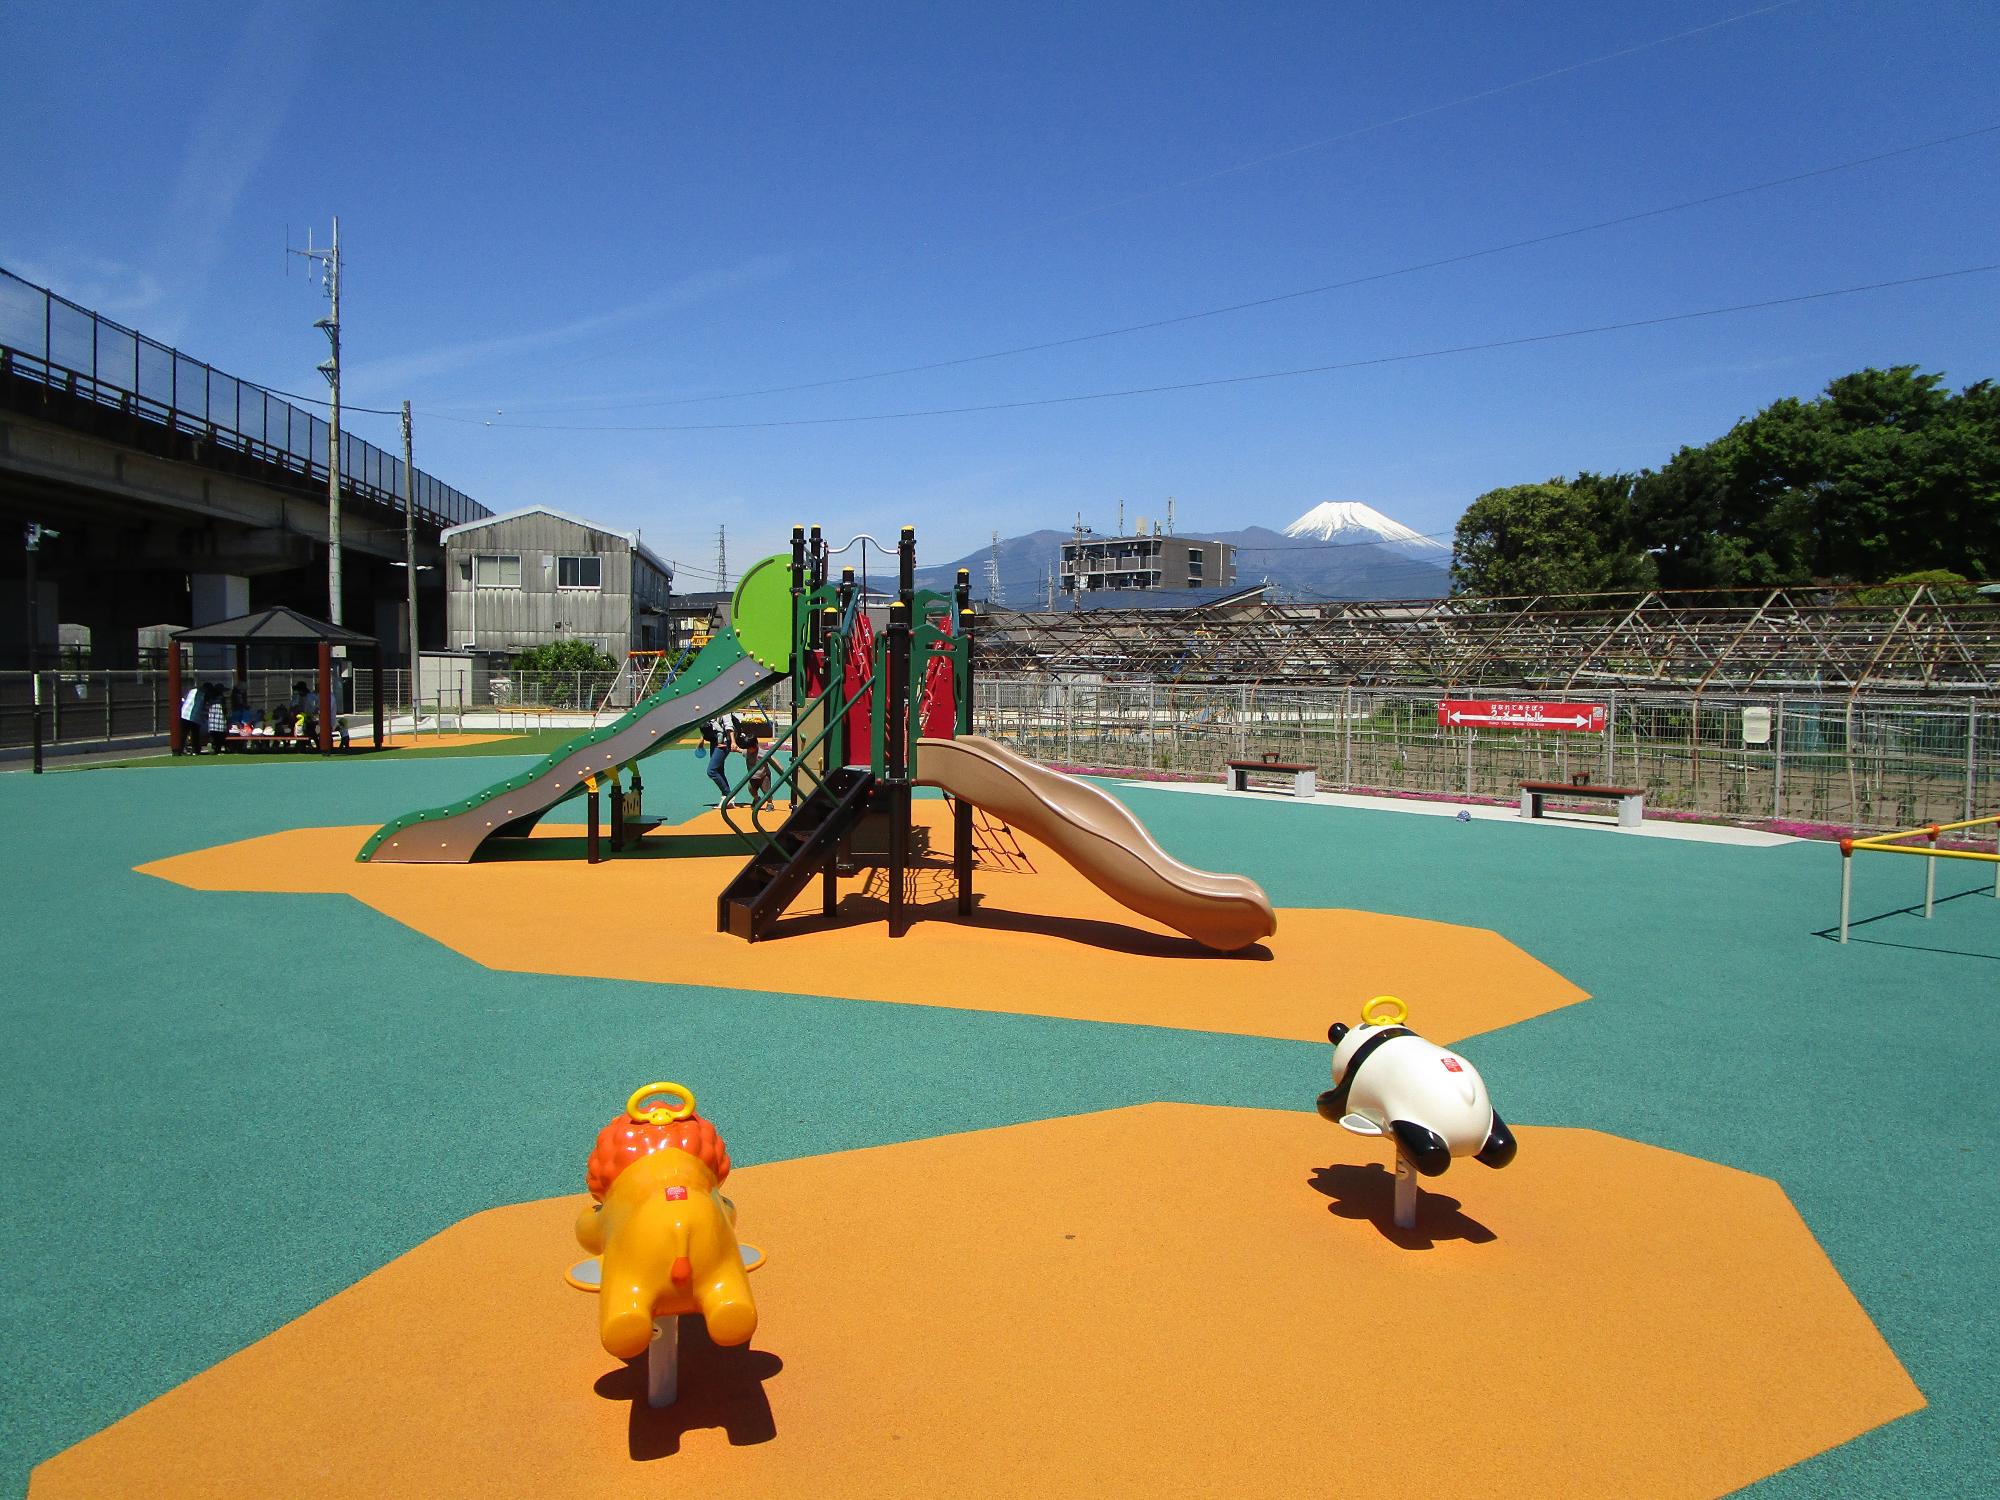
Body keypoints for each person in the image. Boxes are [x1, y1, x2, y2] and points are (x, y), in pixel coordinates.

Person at [699, 712, 739, 807]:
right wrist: (702, 740)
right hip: (715, 741)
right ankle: (727, 798)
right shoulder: (710, 709)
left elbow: (729, 726)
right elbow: (707, 726)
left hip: (724, 743)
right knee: (719, 770)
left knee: (711, 771)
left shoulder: (724, 709)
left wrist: (733, 741)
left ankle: (728, 795)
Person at [735, 712, 770, 803]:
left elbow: (772, 759)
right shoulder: (747, 751)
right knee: (751, 789)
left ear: (755, 746)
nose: (748, 750)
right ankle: (757, 799)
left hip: (763, 776)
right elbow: (740, 751)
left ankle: (770, 803)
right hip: (753, 776)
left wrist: (780, 768)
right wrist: (733, 749)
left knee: (767, 791)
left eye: (749, 748)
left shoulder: (761, 753)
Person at [178, 680, 202, 755]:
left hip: (184, 713)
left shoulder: (191, 691)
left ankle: (180, 750)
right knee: (195, 734)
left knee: (184, 733)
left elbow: (183, 700)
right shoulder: (204, 694)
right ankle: (196, 750)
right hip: (194, 716)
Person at [204, 683, 229, 753]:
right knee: (220, 735)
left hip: (212, 719)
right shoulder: (222, 698)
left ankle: (213, 747)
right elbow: (224, 709)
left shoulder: (210, 698)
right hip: (220, 718)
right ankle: (218, 749)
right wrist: (226, 716)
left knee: (213, 735)